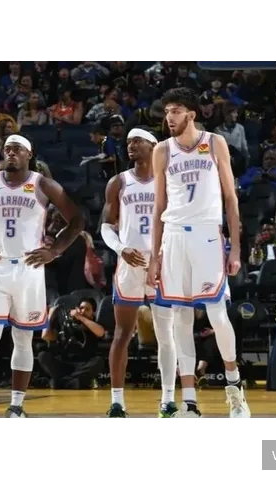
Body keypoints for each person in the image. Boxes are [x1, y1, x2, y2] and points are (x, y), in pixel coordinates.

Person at [0, 134, 84, 418]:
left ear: (29, 154)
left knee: (23, 339)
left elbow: (77, 220)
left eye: (17, 149)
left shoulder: (43, 184)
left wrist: (55, 250)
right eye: (7, 149)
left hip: (29, 268)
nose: (11, 153)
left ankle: (16, 406)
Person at [146, 88, 250, 419]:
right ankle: (189, 400)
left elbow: (231, 198)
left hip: (207, 234)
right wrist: (154, 257)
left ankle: (234, 386)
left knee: (217, 314)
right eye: (167, 112)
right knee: (181, 317)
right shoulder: (162, 150)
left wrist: (235, 246)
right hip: (174, 236)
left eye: (175, 111)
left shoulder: (214, 143)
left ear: (191, 114)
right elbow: (158, 206)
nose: (169, 117)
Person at [100, 127, 178, 418]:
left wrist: (165, 253)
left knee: (165, 334)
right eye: (128, 142)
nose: (130, 145)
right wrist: (120, 249)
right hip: (129, 263)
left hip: (161, 263)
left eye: (137, 141)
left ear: (153, 146)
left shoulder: (169, 181)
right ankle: (117, 401)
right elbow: (106, 226)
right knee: (122, 333)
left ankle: (168, 399)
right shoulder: (118, 182)